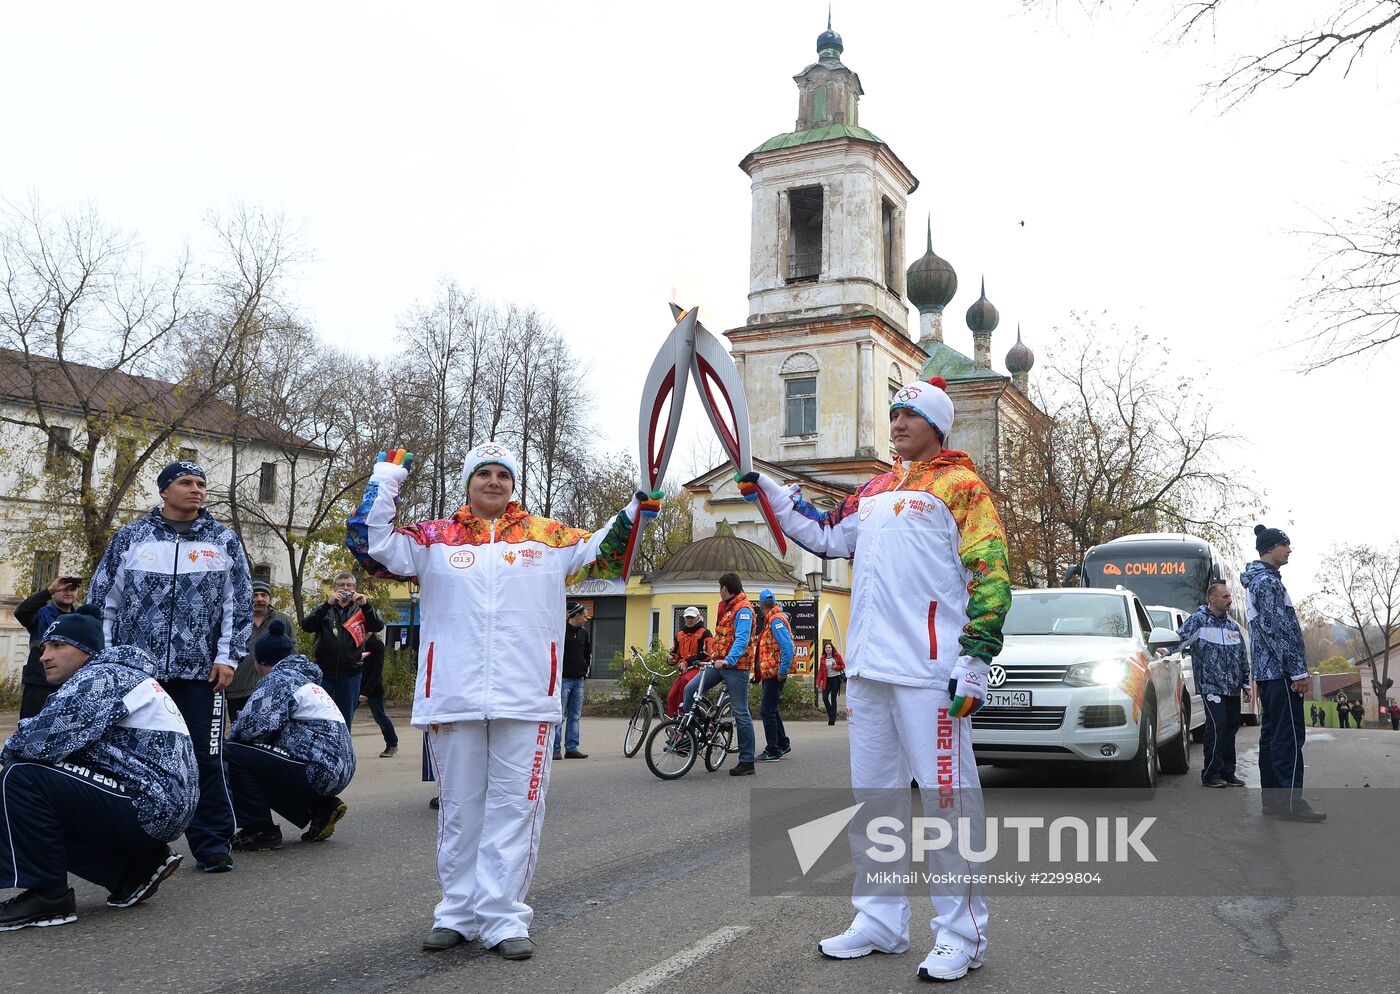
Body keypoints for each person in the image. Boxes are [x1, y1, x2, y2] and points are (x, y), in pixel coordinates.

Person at [739, 374, 1011, 982]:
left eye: (910, 414)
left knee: (948, 804)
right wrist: (773, 494)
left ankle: (961, 934)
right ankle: (881, 921)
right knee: (876, 803)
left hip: (929, 672)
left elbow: (991, 575)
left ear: (936, 425)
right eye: (893, 413)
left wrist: (975, 659)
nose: (897, 423)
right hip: (867, 671)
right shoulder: (876, 490)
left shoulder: (961, 488)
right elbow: (826, 535)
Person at [348, 442, 657, 960]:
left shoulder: (548, 537)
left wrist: (636, 509)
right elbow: (369, 544)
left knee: (516, 809)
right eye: (483, 474)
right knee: (460, 810)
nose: (493, 481)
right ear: (468, 482)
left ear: (514, 484)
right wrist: (385, 480)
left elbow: (604, 552)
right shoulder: (432, 539)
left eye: (503, 475)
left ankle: (503, 918)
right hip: (454, 692)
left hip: (526, 693)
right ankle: (456, 913)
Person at [86, 459, 252, 873]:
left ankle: (212, 843)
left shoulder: (222, 540)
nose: (195, 489)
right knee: (130, 759)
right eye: (185, 482)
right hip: (138, 675)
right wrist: (108, 662)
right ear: (164, 491)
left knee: (206, 758)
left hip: (201, 674)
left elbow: (240, 603)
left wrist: (227, 657)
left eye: (201, 483)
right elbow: (103, 601)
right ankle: (135, 846)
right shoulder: (132, 538)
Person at [0, 608, 197, 930]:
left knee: (21, 778)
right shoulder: (124, 676)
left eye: (57, 646)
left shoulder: (101, 677)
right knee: (45, 790)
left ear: (87, 651)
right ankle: (134, 869)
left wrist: (7, 753)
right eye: (42, 648)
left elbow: (39, 742)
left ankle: (48, 897)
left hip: (148, 804)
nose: (45, 656)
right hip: (159, 803)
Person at [226, 621, 356, 852]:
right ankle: (318, 810)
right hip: (338, 769)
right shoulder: (306, 679)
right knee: (260, 760)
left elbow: (247, 729)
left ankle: (260, 830)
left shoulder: (279, 679)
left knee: (231, 753)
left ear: (260, 661)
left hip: (317, 770)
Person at [1242, 525, 1324, 823]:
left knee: (1273, 736)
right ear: (1270, 548)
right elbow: (1278, 631)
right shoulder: (1266, 583)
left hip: (1269, 672)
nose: (1289, 550)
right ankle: (1290, 802)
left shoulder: (1260, 581)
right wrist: (1298, 672)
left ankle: (1274, 801)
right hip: (1280, 673)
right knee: (1288, 737)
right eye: (1284, 545)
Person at [681, 573, 759, 776]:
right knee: (690, 690)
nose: (719, 591)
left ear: (726, 588)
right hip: (718, 664)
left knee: (741, 712)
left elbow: (741, 640)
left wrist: (728, 660)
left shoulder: (743, 610)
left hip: (736, 667)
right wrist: (712, 658)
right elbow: (720, 638)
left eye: (720, 587)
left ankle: (747, 761)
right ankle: (694, 737)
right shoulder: (726, 608)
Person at [1177, 581, 1250, 788]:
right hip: (1211, 686)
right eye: (1225, 596)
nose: (1230, 600)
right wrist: (1162, 650)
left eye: (1229, 596)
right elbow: (1180, 639)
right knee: (1217, 727)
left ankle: (1228, 772)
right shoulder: (1199, 621)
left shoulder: (1232, 626)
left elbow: (1241, 656)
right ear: (1212, 598)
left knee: (1230, 729)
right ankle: (1211, 773)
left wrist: (1245, 683)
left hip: (1233, 687)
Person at [301, 572, 384, 726]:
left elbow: (377, 626)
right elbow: (307, 626)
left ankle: (343, 749)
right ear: (334, 588)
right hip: (323, 672)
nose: (345, 588)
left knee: (345, 720)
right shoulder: (325, 608)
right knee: (319, 717)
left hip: (350, 673)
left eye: (349, 585)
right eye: (341, 585)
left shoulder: (360, 610)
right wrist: (327, 604)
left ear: (355, 588)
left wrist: (365, 605)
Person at [13, 575, 81, 718]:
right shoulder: (41, 614)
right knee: (30, 732)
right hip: (40, 686)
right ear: (54, 592)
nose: (69, 593)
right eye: (64, 589)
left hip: (69, 685)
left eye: (73, 589)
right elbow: (21, 612)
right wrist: (48, 591)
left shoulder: (80, 619)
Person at [228, 580, 292, 722]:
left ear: (269, 598)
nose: (259, 599)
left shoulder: (283, 620)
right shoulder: (236, 619)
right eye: (255, 595)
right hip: (239, 688)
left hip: (273, 688)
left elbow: (292, 653)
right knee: (239, 728)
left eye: (263, 595)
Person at [754, 590, 795, 762]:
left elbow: (788, 647)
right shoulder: (774, 618)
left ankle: (773, 750)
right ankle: (783, 743)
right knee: (772, 709)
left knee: (767, 711)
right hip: (772, 671)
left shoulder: (776, 620)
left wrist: (782, 670)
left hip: (774, 672)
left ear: (761, 605)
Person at [554, 603, 591, 761]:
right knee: (559, 716)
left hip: (578, 680)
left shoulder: (584, 634)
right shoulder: (560, 632)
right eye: (584, 616)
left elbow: (587, 653)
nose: (586, 619)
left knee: (575, 716)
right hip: (563, 680)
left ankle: (571, 748)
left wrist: (585, 670)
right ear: (576, 616)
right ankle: (555, 749)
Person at [357, 633, 399, 757]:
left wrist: (366, 692)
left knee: (379, 717)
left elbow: (376, 671)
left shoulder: (376, 645)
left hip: (373, 688)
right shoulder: (355, 644)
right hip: (355, 686)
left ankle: (392, 744)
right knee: (344, 717)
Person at [666, 607, 711, 717]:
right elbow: (675, 654)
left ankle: (684, 718)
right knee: (671, 696)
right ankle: (673, 723)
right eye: (687, 617)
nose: (689, 620)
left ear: (698, 618)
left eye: (692, 617)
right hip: (684, 670)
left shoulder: (705, 633)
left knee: (685, 685)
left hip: (699, 668)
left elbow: (707, 654)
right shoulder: (680, 634)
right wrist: (671, 659)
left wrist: (687, 662)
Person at [817, 640, 846, 726]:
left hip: (836, 678)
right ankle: (831, 714)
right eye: (826, 648)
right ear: (824, 649)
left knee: (833, 698)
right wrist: (818, 683)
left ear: (832, 648)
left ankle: (832, 719)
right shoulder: (823, 658)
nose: (828, 649)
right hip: (827, 680)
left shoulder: (837, 656)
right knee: (825, 697)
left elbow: (842, 666)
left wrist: (836, 667)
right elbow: (821, 671)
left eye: (829, 647)